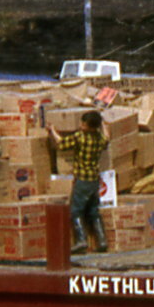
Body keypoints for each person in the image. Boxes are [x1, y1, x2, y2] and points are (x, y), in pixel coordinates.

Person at [57, 109, 109, 254]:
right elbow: (107, 138)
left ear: (88, 126)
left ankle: (81, 240)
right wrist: (103, 125)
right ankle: (102, 240)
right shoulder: (99, 138)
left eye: (83, 123)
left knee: (76, 211)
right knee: (93, 211)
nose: (81, 125)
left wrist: (52, 131)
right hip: (94, 180)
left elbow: (60, 144)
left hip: (82, 180)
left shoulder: (80, 137)